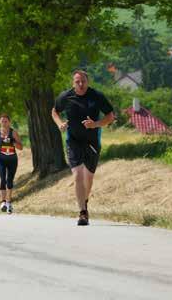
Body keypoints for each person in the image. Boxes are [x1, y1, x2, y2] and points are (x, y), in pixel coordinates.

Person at [52, 70, 114, 226]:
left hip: (92, 142)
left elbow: (110, 116)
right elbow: (54, 111)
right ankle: (82, 212)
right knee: (78, 174)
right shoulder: (66, 97)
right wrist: (60, 123)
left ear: (88, 81)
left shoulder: (96, 96)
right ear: (73, 82)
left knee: (89, 178)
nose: (80, 84)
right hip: (73, 141)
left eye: (83, 81)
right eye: (77, 82)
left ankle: (84, 200)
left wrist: (96, 124)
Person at [0, 114, 23, 214]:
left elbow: (20, 147)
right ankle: (3, 202)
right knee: (2, 179)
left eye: (6, 121)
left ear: (9, 122)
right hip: (1, 159)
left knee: (9, 181)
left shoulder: (13, 132)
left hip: (12, 160)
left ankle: (9, 202)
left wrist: (12, 142)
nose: (4, 123)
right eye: (2, 121)